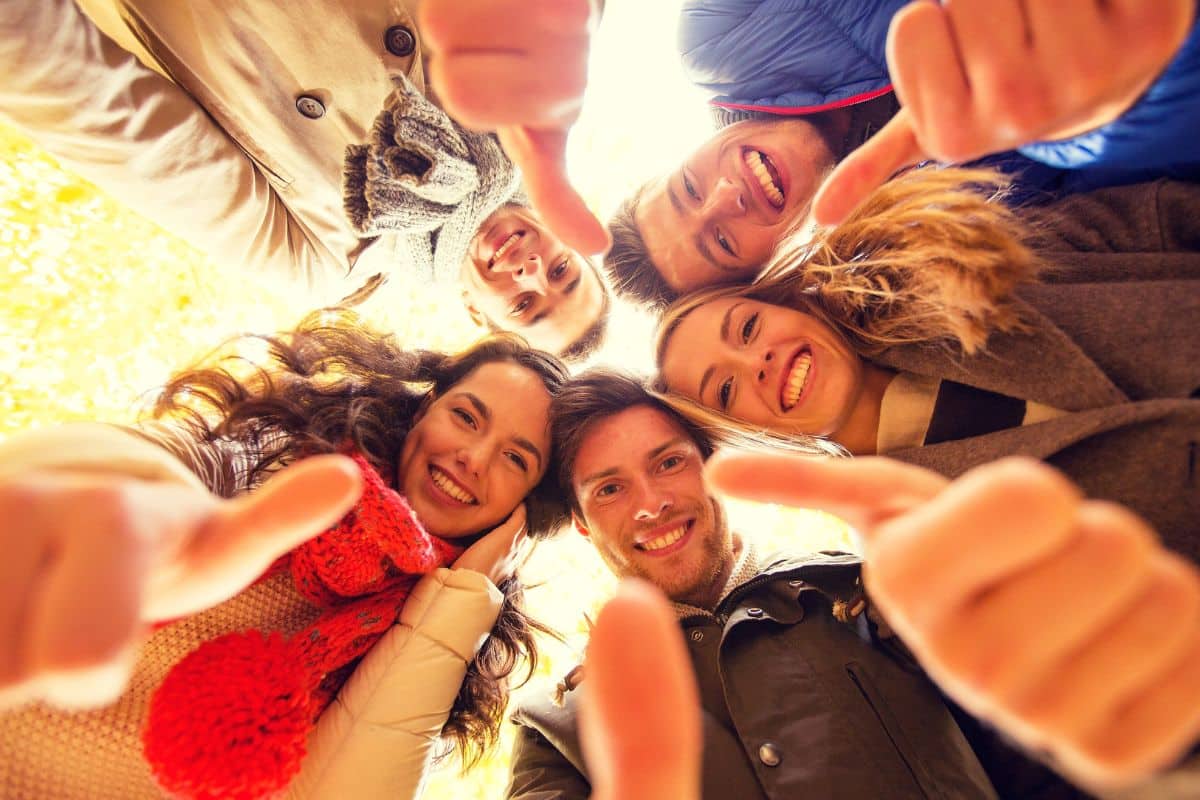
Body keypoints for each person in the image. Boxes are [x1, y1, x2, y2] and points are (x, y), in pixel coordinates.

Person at [506, 370, 1200, 799]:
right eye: (610, 488)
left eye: (668, 463)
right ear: (579, 522)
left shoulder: (888, 594)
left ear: (710, 466)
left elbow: (1059, 768)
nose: (651, 502)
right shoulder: (556, 726)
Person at [0, 309, 571, 799]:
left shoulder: (455, 647)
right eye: (466, 417)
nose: (473, 456)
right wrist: (105, 482)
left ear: (524, 513)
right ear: (424, 410)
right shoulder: (283, 459)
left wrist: (462, 599)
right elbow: (167, 464)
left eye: (515, 460)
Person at [421, 0, 1199, 308]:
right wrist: (1116, 89)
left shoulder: (721, 38)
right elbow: (1115, 163)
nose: (726, 196)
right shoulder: (933, 218)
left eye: (689, 188)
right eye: (721, 240)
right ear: (771, 269)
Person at [0, 0, 610, 359]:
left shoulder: (328, 259)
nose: (532, 271)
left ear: (479, 314)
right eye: (563, 271)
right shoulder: (525, 103)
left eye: (526, 305)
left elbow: (134, 136)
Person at [654, 172, 1200, 557]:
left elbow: (1153, 218)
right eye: (725, 391)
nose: (759, 361)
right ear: (745, 436)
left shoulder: (951, 258)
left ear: (781, 303)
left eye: (747, 328)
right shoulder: (914, 540)